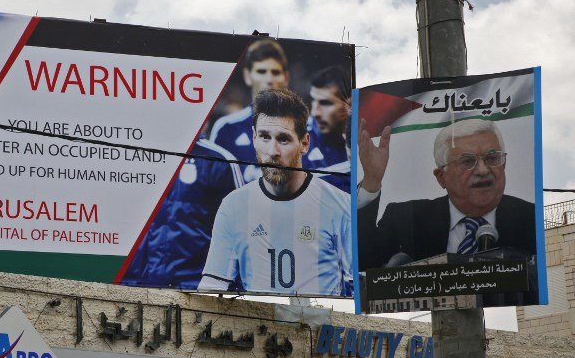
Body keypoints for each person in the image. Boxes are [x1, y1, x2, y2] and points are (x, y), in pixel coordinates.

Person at [199, 88, 351, 295]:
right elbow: (212, 286)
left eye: (283, 139)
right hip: (258, 326)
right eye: (264, 137)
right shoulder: (233, 206)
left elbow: (357, 288)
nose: (272, 152)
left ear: (304, 143)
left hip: (319, 326)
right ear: (253, 138)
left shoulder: (339, 205)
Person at [357, 118, 536, 270]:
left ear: (503, 165)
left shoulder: (530, 219)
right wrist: (371, 181)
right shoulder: (405, 220)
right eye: (467, 161)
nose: (482, 170)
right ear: (442, 177)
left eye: (492, 158)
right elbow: (364, 264)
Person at [120, 138, 244, 289]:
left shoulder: (218, 161)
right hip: (131, 286)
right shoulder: (122, 152)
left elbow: (240, 236)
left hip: (193, 289)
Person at [210, 39, 289, 184]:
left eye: (275, 72)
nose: (269, 79)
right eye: (261, 71)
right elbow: (213, 184)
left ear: (286, 78)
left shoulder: (305, 128)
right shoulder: (226, 128)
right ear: (247, 76)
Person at [305, 65, 352, 193]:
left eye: (325, 103)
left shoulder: (367, 138)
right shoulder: (298, 141)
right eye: (313, 100)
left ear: (349, 105)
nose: (315, 112)